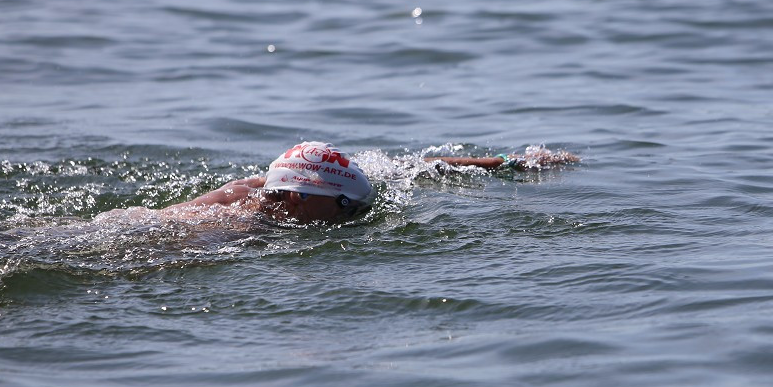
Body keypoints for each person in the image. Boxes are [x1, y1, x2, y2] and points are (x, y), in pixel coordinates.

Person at [163, 141, 579, 225]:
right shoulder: (219, 229)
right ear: (297, 198)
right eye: (348, 208)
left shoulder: (274, 183)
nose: (358, 214)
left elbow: (410, 167)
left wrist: (504, 162)